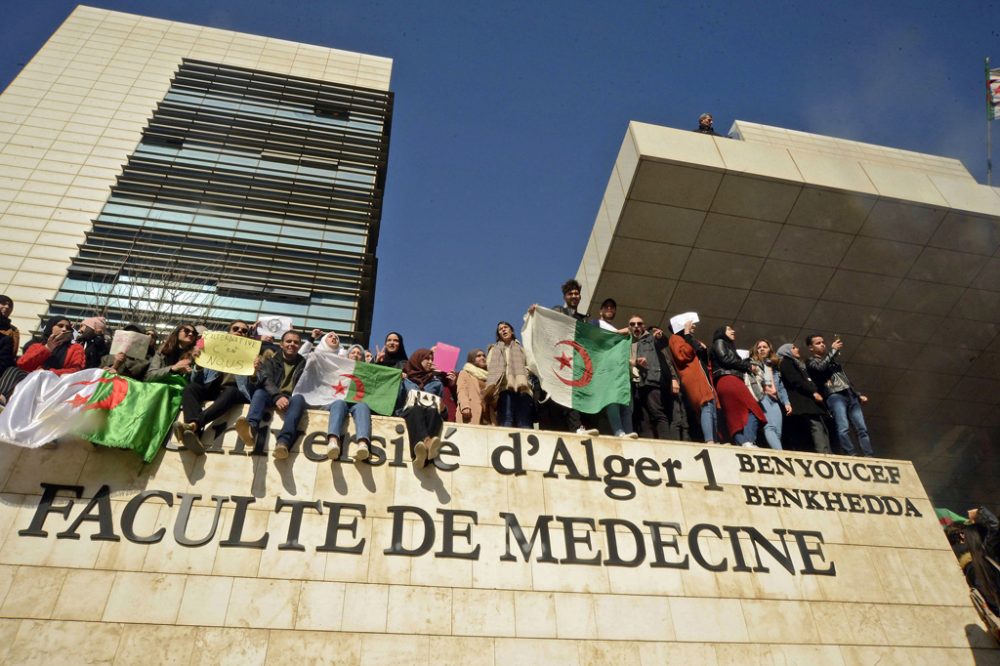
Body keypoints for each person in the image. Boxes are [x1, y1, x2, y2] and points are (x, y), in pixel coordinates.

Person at [174, 320, 257, 454]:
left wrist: (254, 373)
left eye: (244, 330)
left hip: (235, 392)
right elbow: (197, 380)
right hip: (213, 388)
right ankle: (193, 434)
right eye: (236, 328)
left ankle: (193, 425)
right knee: (191, 388)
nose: (239, 331)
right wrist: (199, 365)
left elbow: (256, 385)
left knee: (231, 391)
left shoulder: (253, 355)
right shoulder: (214, 350)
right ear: (229, 332)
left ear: (247, 336)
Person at [528, 279, 598, 436]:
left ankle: (578, 427)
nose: (574, 296)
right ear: (565, 297)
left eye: (576, 293)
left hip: (579, 363)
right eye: (570, 293)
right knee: (566, 395)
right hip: (562, 363)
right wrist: (535, 314)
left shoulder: (584, 319)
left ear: (580, 297)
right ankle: (576, 428)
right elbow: (545, 327)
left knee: (577, 396)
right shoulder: (558, 312)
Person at [235, 329, 307, 459]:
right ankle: (251, 429)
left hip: (291, 398)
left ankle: (283, 443)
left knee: (299, 399)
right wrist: (277, 396)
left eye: (296, 342)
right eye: (288, 341)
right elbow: (266, 379)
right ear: (281, 344)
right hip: (272, 394)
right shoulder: (271, 360)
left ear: (300, 346)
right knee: (259, 392)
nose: (292, 344)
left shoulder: (304, 363)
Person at [806, 334, 874, 457]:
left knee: (862, 428)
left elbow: (845, 380)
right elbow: (820, 368)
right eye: (818, 343)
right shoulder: (811, 361)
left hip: (849, 394)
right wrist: (833, 351)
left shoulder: (832, 361)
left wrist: (857, 395)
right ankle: (851, 454)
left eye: (822, 342)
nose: (822, 344)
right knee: (843, 428)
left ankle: (869, 455)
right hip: (834, 395)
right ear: (811, 348)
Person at [709, 325, 765, 447]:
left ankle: (744, 443)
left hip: (728, 380)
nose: (733, 331)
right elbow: (725, 359)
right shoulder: (720, 342)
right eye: (729, 329)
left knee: (734, 416)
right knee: (753, 409)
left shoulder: (726, 345)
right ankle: (748, 441)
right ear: (721, 332)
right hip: (729, 379)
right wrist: (747, 366)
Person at [629, 316, 683, 440]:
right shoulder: (629, 342)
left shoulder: (651, 338)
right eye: (633, 324)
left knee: (658, 415)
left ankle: (667, 445)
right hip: (636, 385)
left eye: (639, 323)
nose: (636, 326)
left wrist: (660, 336)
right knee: (642, 419)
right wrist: (636, 361)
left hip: (651, 381)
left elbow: (663, 343)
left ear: (643, 326)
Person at [668, 317, 718, 443]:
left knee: (711, 407)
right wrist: (687, 334)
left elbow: (704, 360)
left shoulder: (689, 339)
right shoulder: (676, 338)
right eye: (690, 325)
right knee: (705, 404)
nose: (693, 327)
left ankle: (715, 439)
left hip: (703, 377)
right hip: (694, 377)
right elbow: (683, 355)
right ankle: (709, 440)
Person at [776, 343, 831, 454]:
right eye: (793, 347)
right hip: (803, 400)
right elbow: (795, 380)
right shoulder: (786, 362)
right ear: (786, 351)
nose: (797, 349)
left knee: (820, 426)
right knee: (815, 426)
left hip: (807, 400)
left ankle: (827, 451)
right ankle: (823, 452)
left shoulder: (798, 364)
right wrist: (813, 392)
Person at [324, 343, 374, 462]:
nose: (356, 355)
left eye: (359, 353)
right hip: (340, 399)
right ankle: (333, 442)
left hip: (357, 402)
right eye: (353, 352)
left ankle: (362, 444)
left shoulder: (367, 371)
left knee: (363, 407)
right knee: (339, 403)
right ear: (348, 354)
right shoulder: (338, 368)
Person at [399, 348, 447, 467]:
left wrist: (443, 408)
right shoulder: (404, 379)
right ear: (417, 359)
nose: (430, 362)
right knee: (416, 409)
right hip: (409, 412)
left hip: (430, 415)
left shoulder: (436, 383)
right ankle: (427, 442)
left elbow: (443, 412)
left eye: (432, 359)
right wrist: (398, 382)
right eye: (427, 358)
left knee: (432, 411)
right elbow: (397, 401)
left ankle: (420, 456)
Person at [484, 322, 534, 429]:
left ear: (512, 330)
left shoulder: (521, 349)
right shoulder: (494, 349)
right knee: (506, 421)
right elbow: (489, 366)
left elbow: (531, 365)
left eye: (505, 327)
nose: (503, 330)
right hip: (504, 389)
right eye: (500, 329)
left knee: (524, 422)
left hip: (523, 389)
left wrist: (523, 372)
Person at [746, 339, 791, 450]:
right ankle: (780, 453)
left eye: (764, 347)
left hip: (775, 399)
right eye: (759, 347)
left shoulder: (774, 367)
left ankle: (777, 450)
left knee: (778, 430)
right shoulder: (753, 364)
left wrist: (786, 402)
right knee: (769, 426)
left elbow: (781, 387)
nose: (761, 349)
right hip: (763, 397)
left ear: (769, 349)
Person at [456, 349, 489, 425]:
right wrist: (465, 406)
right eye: (478, 356)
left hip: (487, 416)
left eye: (484, 356)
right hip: (471, 412)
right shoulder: (465, 373)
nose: (482, 358)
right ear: (472, 358)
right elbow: (462, 390)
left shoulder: (489, 377)